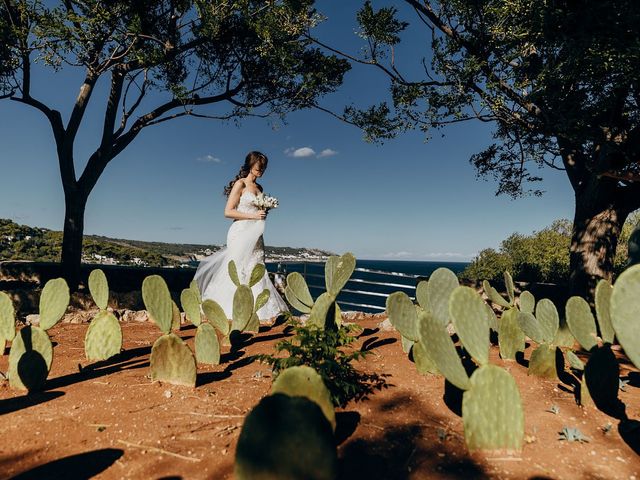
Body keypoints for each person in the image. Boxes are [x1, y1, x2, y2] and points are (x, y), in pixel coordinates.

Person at [193, 151, 289, 322]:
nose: (262, 169)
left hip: (257, 234)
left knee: (256, 267)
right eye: (259, 166)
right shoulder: (240, 184)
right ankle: (230, 310)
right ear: (251, 164)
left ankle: (259, 312)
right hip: (240, 231)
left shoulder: (260, 188)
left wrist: (264, 212)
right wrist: (254, 216)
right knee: (238, 268)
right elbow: (228, 212)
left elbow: (258, 211)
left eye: (264, 167)